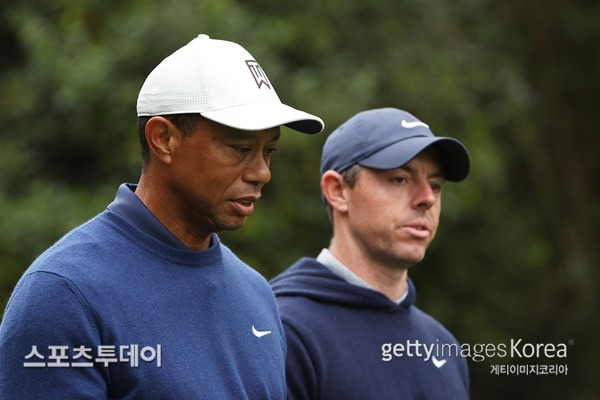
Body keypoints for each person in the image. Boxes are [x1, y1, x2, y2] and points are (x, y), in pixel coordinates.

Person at [0, 34, 323, 399]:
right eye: (242, 148)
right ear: (163, 139)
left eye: (270, 151)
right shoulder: (63, 294)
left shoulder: (257, 294)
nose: (262, 172)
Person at [270, 107, 471, 399]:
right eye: (400, 179)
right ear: (337, 191)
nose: (427, 198)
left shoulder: (443, 346)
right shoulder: (284, 330)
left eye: (436, 185)